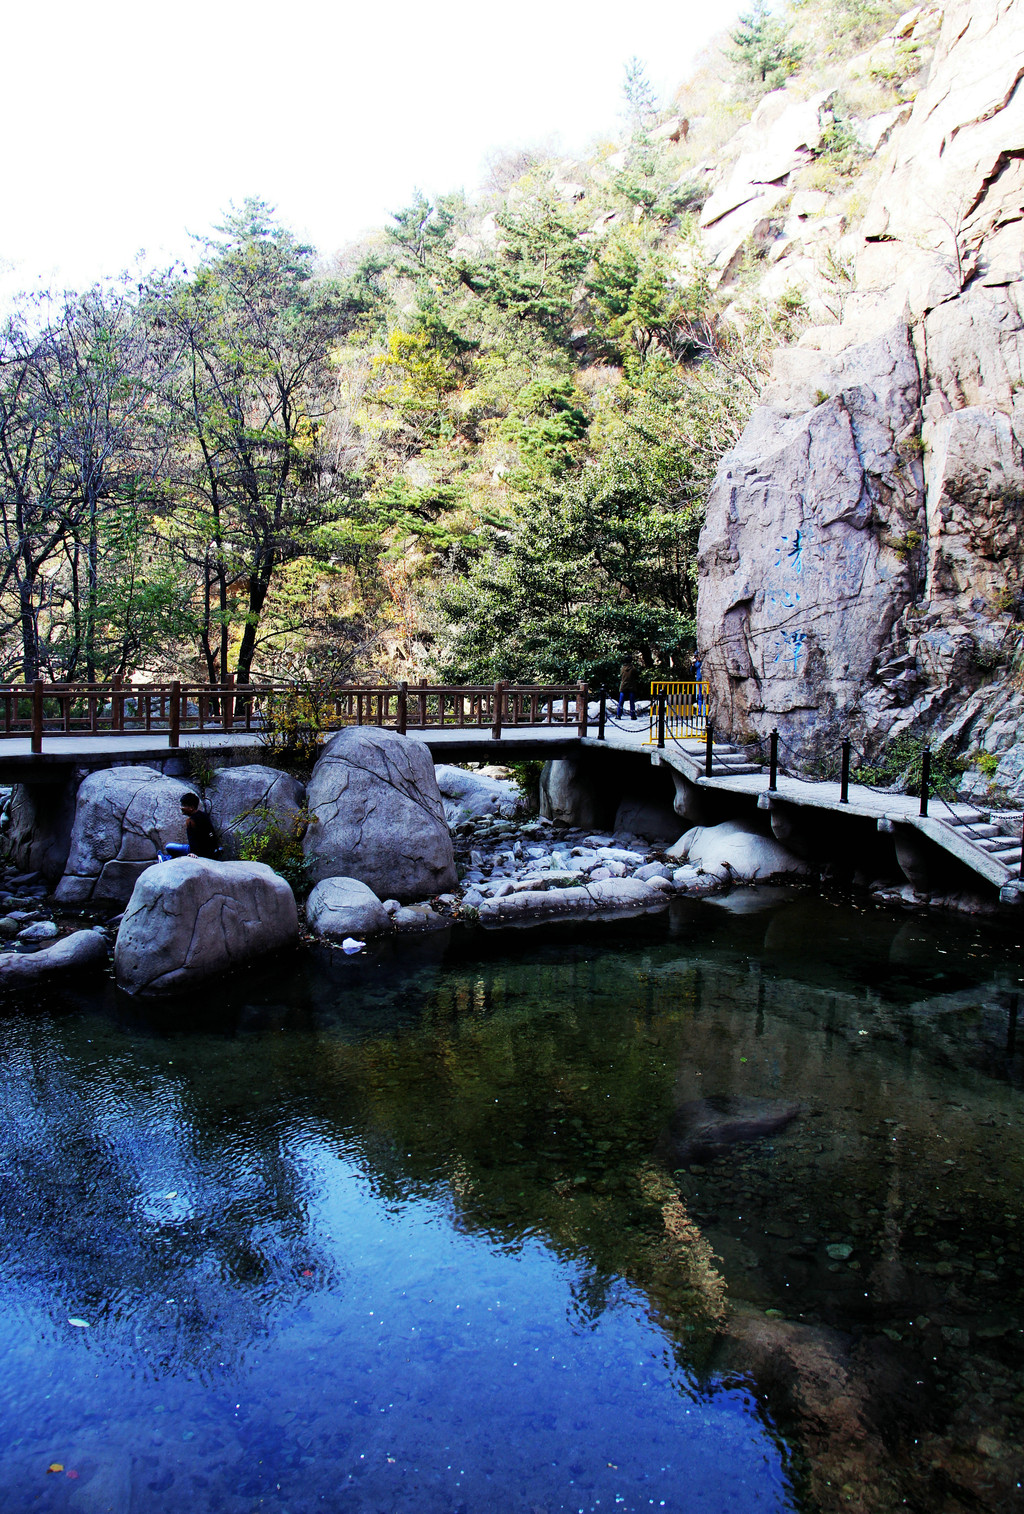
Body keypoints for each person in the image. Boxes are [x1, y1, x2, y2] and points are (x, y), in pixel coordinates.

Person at [179, 793, 219, 859]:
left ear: (191, 807)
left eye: (183, 805)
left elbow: (192, 838)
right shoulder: (203, 815)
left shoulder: (190, 821)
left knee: (169, 847)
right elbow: (211, 834)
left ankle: (166, 858)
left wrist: (193, 852)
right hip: (209, 850)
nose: (181, 807)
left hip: (198, 852)